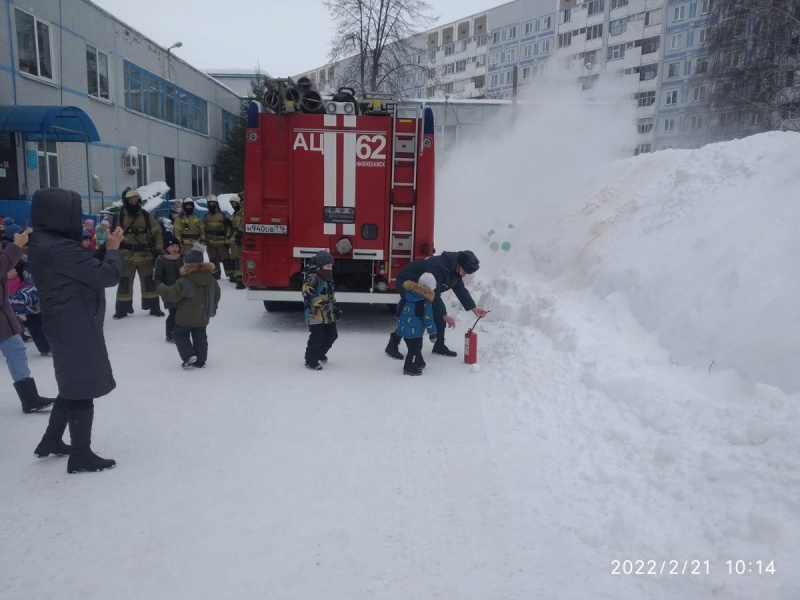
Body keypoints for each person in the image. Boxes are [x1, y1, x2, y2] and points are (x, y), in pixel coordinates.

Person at [27, 187, 126, 473]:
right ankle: (81, 455)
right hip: (73, 322)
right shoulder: (59, 247)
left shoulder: (45, 241)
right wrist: (113, 252)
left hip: (65, 319)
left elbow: (81, 268)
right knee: (82, 386)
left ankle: (51, 441)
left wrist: (101, 250)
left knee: (72, 383)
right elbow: (105, 275)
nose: (77, 217)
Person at [385, 250, 486, 359]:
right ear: (458, 264)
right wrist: (444, 315)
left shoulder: (454, 271)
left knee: (439, 316)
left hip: (426, 288)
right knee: (411, 316)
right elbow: (434, 294)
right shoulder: (438, 266)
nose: (464, 275)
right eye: (464, 272)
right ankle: (392, 346)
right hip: (409, 284)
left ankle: (439, 346)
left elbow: (460, 289)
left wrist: (474, 309)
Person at [1, 228, 55, 413]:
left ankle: (29, 398)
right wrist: (16, 246)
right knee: (15, 349)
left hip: (3, 313)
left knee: (16, 349)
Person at [156, 243, 220, 369]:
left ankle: (188, 355)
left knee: (179, 334)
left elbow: (172, 295)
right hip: (203, 315)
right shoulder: (212, 280)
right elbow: (216, 295)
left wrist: (160, 287)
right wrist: (213, 307)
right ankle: (201, 361)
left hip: (184, 317)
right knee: (200, 336)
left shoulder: (184, 281)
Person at [112, 187, 164, 318]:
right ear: (126, 201)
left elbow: (157, 232)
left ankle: (153, 307)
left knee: (148, 282)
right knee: (124, 282)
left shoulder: (146, 215)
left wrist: (158, 249)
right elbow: (114, 235)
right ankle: (122, 309)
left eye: (136, 200)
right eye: (131, 200)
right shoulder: (120, 216)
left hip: (145, 255)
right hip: (126, 255)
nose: (134, 202)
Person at [302, 250, 340, 371]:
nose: (330, 268)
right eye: (327, 266)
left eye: (331, 266)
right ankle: (310, 360)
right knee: (317, 337)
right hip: (315, 314)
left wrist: (335, 307)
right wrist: (321, 303)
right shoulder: (313, 278)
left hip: (328, 313)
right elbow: (307, 293)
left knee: (332, 335)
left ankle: (320, 353)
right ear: (319, 266)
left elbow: (330, 295)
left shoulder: (328, 278)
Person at [395, 272, 438, 376]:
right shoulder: (425, 301)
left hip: (403, 328)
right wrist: (432, 332)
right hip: (415, 331)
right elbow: (428, 318)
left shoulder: (408, 294)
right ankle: (409, 368)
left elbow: (399, 309)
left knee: (415, 347)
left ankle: (419, 362)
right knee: (414, 349)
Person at [8, 260, 51, 356]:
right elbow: (16, 299)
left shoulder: (20, 279)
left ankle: (47, 346)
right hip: (24, 309)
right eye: (10, 270)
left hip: (30, 306)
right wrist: (20, 313)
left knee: (41, 326)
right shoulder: (17, 291)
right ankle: (45, 348)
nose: (14, 270)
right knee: (36, 329)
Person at [153, 233, 184, 344]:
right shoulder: (161, 260)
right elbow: (157, 278)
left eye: (176, 246)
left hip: (182, 291)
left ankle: (180, 332)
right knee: (173, 313)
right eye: (172, 246)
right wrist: (163, 289)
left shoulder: (182, 258)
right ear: (166, 248)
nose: (175, 248)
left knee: (181, 312)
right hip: (168, 291)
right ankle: (170, 334)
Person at [201, 195, 233, 280]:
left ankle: (230, 274)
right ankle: (215, 274)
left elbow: (229, 228)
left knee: (226, 259)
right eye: (210, 204)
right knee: (213, 258)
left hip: (222, 242)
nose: (212, 205)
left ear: (217, 204)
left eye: (213, 203)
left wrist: (227, 239)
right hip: (210, 242)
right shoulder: (205, 217)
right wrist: (203, 238)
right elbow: (202, 228)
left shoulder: (222, 215)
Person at [229, 194, 245, 289]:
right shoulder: (235, 213)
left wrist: (240, 233)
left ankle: (241, 278)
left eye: (235, 203)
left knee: (239, 258)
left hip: (240, 237)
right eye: (232, 204)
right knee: (234, 257)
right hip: (234, 237)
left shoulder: (243, 212)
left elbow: (244, 223)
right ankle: (235, 275)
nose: (233, 205)